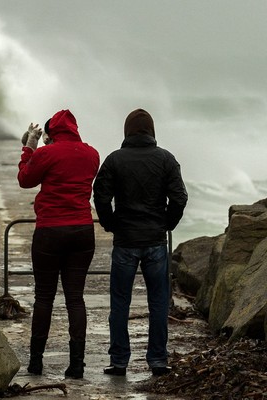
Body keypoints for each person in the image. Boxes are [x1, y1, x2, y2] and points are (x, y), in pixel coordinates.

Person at [92, 108, 188, 377]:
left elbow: (100, 195)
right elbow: (179, 198)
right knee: (158, 303)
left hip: (125, 241)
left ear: (127, 131)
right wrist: (167, 223)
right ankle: (157, 360)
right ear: (152, 131)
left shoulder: (114, 160)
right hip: (155, 241)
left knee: (120, 303)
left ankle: (119, 361)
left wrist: (110, 223)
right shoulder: (166, 159)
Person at [18, 109, 100, 378]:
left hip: (50, 232)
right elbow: (73, 170)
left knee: (44, 297)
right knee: (75, 298)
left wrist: (30, 148)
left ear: (51, 133)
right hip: (82, 231)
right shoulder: (92, 154)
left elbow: (25, 179)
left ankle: (36, 362)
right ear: (75, 129)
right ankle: (77, 364)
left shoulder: (46, 153)